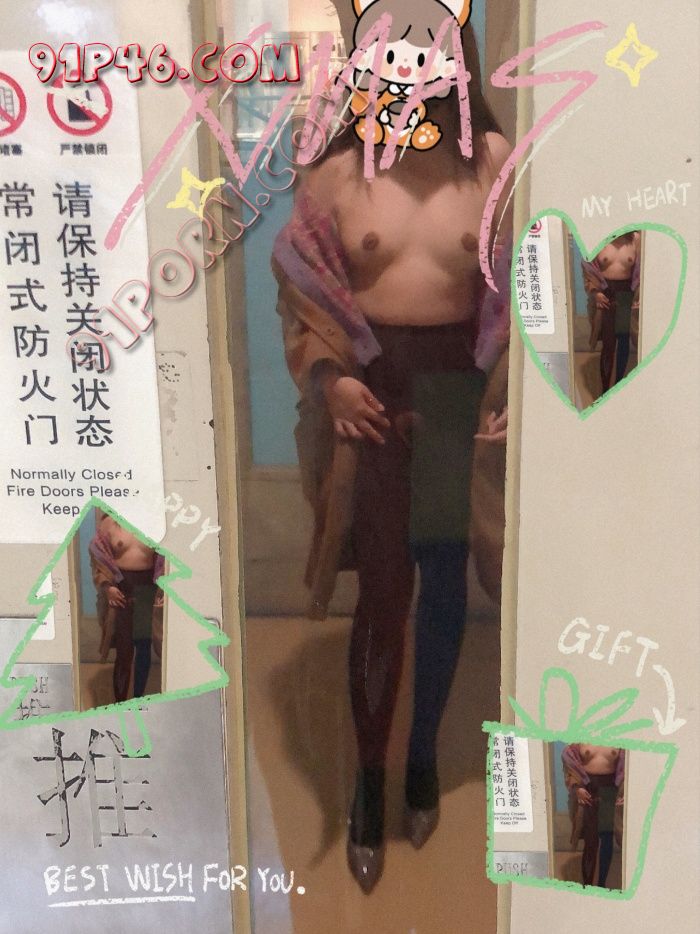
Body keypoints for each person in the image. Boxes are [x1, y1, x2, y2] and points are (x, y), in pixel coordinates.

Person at [272, 12, 512, 893]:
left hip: (456, 392)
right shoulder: (337, 171)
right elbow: (301, 287)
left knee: (443, 580)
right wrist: (331, 376)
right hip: (371, 395)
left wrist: (508, 388)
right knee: (381, 588)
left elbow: (521, 286)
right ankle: (369, 783)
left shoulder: (493, 163)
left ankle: (421, 761)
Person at [89, 511, 164, 703]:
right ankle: (120, 702)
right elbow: (98, 556)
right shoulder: (110, 522)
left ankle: (138, 698)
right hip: (121, 589)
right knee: (124, 650)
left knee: (144, 647)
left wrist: (164, 588)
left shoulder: (156, 521)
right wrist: (108, 587)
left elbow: (166, 557)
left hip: (148, 589)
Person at [582, 232, 641, 394]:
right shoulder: (599, 236)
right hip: (605, 293)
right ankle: (605, 390)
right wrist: (595, 293)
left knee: (623, 341)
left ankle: (618, 385)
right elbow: (588, 267)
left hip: (626, 294)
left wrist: (639, 295)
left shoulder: (636, 238)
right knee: (608, 344)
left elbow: (642, 269)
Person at [562, 744, 625, 888]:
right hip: (588, 789)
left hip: (611, 791)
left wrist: (625, 790)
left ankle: (602, 884)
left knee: (607, 839)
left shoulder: (620, 740)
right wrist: (577, 788)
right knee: (590, 840)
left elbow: (628, 768)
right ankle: (588, 885)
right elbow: (569, 760)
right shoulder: (581, 739)